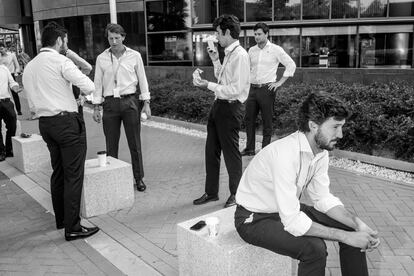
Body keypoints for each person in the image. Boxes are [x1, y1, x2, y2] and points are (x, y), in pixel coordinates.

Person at [235, 92, 380, 276]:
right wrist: (346, 237)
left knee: (351, 227)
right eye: (335, 127)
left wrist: (358, 224)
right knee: (314, 249)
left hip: (284, 210)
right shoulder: (285, 154)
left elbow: (323, 198)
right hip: (254, 219)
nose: (341, 134)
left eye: (342, 127)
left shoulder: (321, 153)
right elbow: (292, 221)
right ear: (313, 125)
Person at [23, 22, 99, 241]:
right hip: (66, 124)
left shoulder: (30, 66)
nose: (66, 45)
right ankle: (73, 227)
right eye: (65, 42)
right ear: (59, 41)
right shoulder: (61, 61)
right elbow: (89, 86)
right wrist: (70, 56)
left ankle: (62, 220)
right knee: (73, 175)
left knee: (58, 172)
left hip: (45, 124)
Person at [193, 14, 250, 208]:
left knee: (231, 153)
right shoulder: (229, 52)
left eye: (218, 32)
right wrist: (216, 60)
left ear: (227, 32)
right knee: (211, 151)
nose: (216, 37)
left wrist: (207, 85)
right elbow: (222, 79)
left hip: (231, 108)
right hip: (219, 105)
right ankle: (211, 193)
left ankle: (237, 194)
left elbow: (236, 89)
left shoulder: (240, 55)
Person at [92, 23, 151, 192]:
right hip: (110, 104)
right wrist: (96, 107)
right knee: (111, 144)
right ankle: (112, 178)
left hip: (130, 101)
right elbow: (97, 84)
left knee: (135, 143)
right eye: (110, 38)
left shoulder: (135, 56)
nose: (114, 41)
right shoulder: (101, 58)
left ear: (123, 37)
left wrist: (146, 103)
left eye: (117, 38)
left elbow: (143, 79)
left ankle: (139, 178)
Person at [241, 22, 296, 156]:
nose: (257, 37)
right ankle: (250, 149)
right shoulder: (251, 50)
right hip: (252, 89)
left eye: (259, 34)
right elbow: (248, 69)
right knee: (249, 119)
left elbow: (291, 64)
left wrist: (279, 82)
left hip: (267, 89)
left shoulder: (276, 49)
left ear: (267, 34)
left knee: (267, 121)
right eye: (255, 34)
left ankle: (265, 151)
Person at [0, 64, 21, 161]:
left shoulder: (4, 68)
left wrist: (15, 87)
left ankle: (9, 149)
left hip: (6, 101)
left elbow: (12, 82)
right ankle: (1, 151)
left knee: (12, 124)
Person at [65, 49, 93, 115]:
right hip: (65, 109)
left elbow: (88, 68)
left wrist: (68, 53)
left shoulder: (76, 74)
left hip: (77, 106)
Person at [0, 43, 22, 115]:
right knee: (4, 95)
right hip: (3, 76)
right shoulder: (0, 57)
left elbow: (17, 66)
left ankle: (19, 110)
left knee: (15, 94)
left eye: (2, 49)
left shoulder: (12, 55)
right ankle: (6, 111)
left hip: (12, 75)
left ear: (5, 48)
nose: (1, 51)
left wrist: (16, 72)